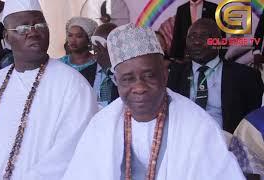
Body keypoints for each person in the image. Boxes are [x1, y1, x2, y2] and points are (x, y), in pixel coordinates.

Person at [62, 23, 244, 180]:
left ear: (165, 75)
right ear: (116, 81)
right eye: (128, 79)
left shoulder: (197, 125)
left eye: (149, 76)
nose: (139, 87)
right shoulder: (102, 125)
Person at [0, 0, 97, 179]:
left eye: (40, 25)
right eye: (23, 28)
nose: (33, 32)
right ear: (7, 38)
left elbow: (68, 153)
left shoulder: (73, 86)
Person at [168, 18, 264, 133]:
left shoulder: (245, 76)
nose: (197, 42)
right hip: (184, 140)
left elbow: (255, 124)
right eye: (192, 37)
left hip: (227, 143)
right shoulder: (173, 74)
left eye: (204, 36)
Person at [60, 16, 98, 85]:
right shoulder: (60, 63)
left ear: (88, 40)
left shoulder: (97, 64)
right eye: (70, 35)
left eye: (79, 36)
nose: (73, 40)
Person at [91, 23, 119, 108]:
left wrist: (109, 68)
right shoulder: (84, 73)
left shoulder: (125, 71)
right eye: (95, 44)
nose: (96, 47)